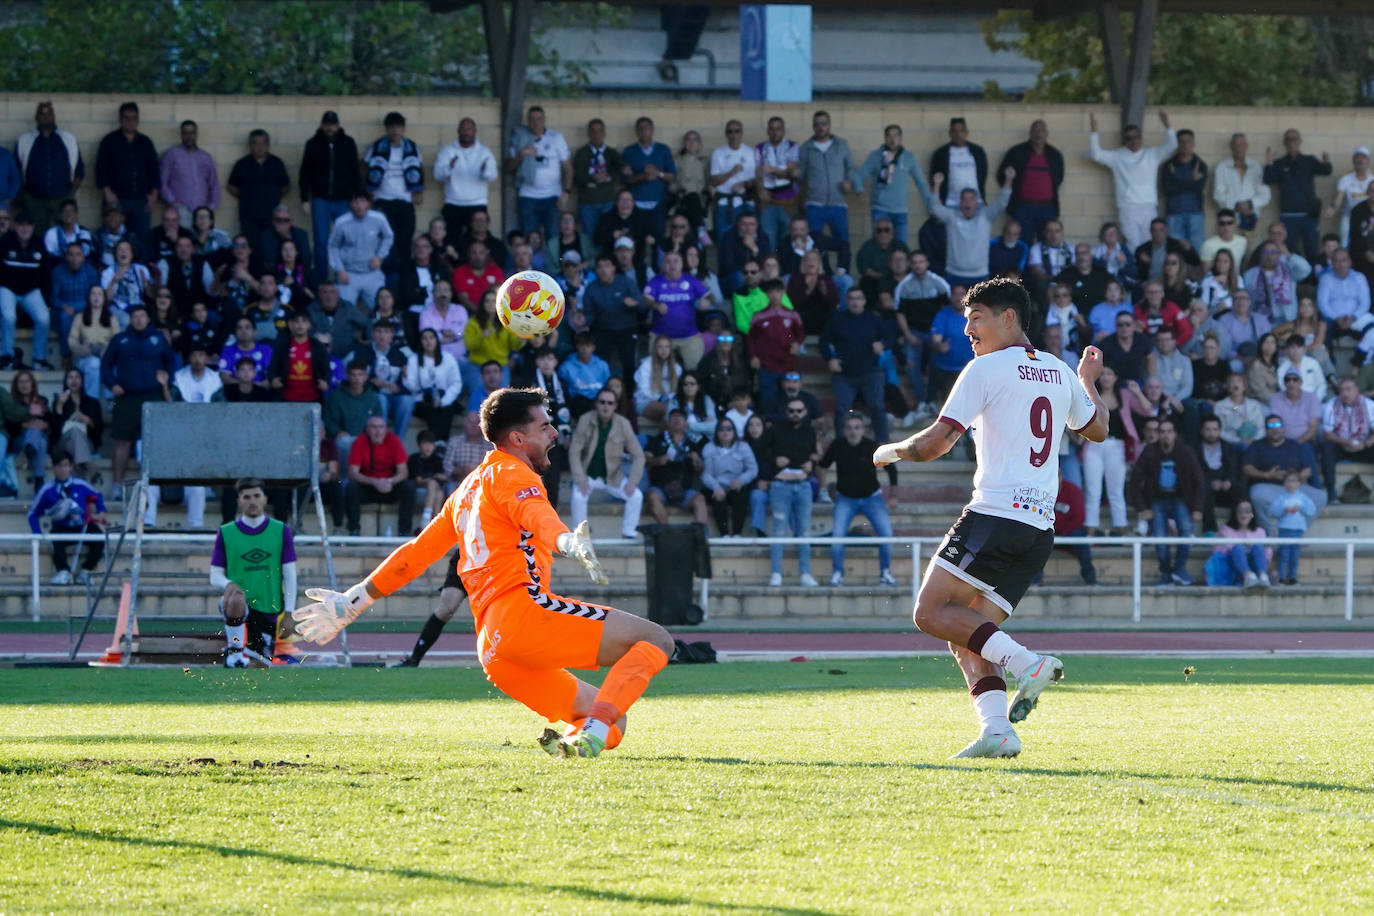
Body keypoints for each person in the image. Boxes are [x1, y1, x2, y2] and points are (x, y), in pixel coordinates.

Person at [294, 387, 672, 758]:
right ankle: (594, 729)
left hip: (493, 648)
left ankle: (578, 741)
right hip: (523, 615)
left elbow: (415, 555)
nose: (554, 433)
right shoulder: (514, 474)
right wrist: (567, 542)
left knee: (613, 719)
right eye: (544, 427)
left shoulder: (467, 490)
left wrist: (353, 601)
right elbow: (536, 516)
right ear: (517, 439)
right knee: (657, 640)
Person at [873, 276, 1108, 758]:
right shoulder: (1059, 370)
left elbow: (935, 444)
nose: (968, 331)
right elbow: (1099, 428)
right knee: (970, 635)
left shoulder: (984, 369)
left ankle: (1027, 664)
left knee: (930, 613)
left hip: (995, 516)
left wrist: (890, 451)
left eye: (976, 318)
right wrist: (1086, 381)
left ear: (1009, 318)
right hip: (1038, 531)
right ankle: (997, 730)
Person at [211, 477, 298, 667]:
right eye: (247, 497)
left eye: (257, 496)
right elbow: (214, 575)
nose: (252, 501)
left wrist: (289, 614)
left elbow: (290, 574)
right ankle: (234, 652)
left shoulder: (281, 530)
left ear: (265, 499)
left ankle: (245, 653)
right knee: (236, 598)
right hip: (238, 605)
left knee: (262, 667)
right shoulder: (226, 532)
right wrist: (229, 584)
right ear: (239, 501)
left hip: (269, 608)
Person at [100, 303, 175, 498]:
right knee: (122, 442)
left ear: (148, 319)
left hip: (153, 396)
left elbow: (171, 362)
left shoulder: (159, 338)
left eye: (142, 316)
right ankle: (117, 485)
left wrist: (167, 381)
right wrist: (112, 385)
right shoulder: (120, 339)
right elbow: (105, 365)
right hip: (126, 397)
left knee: (157, 442)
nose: (139, 320)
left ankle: (159, 485)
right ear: (130, 320)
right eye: (135, 317)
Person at [821, 411, 898, 586]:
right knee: (837, 536)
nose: (853, 431)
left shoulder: (871, 447)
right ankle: (837, 573)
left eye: (857, 427)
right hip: (845, 498)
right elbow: (822, 465)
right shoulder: (837, 446)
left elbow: (891, 469)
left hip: (872, 498)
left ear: (863, 429)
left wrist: (893, 496)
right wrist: (823, 489)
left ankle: (885, 573)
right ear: (844, 430)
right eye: (849, 428)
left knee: (886, 534)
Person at [1128, 417, 1204, 586]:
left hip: (1180, 498)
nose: (1166, 435)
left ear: (1175, 434)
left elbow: (1199, 480)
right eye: (1162, 432)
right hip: (1157, 500)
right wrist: (1142, 508)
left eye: (1169, 432)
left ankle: (1179, 569)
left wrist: (1198, 508)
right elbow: (1134, 481)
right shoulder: (1149, 452)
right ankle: (1166, 574)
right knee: (1160, 539)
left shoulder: (1185, 452)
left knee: (1186, 532)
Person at [1087, 111, 1176, 249]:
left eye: (1136, 137)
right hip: (1127, 207)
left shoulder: (1152, 154)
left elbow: (1172, 146)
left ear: (1141, 137)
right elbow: (1096, 155)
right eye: (1129, 138)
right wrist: (1094, 132)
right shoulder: (1117, 156)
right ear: (1124, 140)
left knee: (1150, 242)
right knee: (1133, 244)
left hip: (1148, 205)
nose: (1133, 140)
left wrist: (1167, 125)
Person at [761, 396, 820, 588]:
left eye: (799, 411)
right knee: (778, 530)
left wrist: (811, 463)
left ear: (805, 412)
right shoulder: (775, 429)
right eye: (792, 411)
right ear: (786, 412)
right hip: (781, 485)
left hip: (803, 484)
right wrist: (774, 461)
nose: (795, 414)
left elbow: (814, 454)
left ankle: (806, 574)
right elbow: (759, 450)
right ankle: (776, 573)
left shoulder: (810, 431)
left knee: (804, 531)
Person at [921, 169, 1013, 287]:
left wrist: (1008, 179)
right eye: (964, 199)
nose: (967, 202)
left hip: (980, 275)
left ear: (977, 202)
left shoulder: (986, 216)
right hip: (954, 274)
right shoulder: (951, 217)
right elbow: (934, 208)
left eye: (971, 199)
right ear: (960, 202)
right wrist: (937, 184)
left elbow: (1002, 203)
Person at [299, 111, 361, 281]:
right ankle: (322, 279)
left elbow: (355, 171)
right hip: (320, 199)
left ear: (338, 125)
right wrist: (305, 198)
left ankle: (344, 277)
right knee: (321, 241)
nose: (330, 128)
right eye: (327, 124)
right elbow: (305, 172)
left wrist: (356, 197)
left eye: (333, 125)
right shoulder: (313, 144)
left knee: (345, 239)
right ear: (322, 125)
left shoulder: (348, 143)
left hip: (344, 200)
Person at [822, 288, 889, 443]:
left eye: (858, 298)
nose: (855, 302)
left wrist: (883, 344)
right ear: (847, 301)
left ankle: (883, 443)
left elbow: (890, 336)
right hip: (843, 374)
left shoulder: (873, 318)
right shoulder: (837, 319)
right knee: (841, 411)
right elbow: (823, 341)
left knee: (877, 407)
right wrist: (829, 359)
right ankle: (840, 445)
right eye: (851, 298)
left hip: (870, 372)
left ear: (864, 301)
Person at [29, 452, 105, 586]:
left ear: (71, 467)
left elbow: (97, 495)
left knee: (99, 537)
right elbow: (32, 513)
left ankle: (86, 571)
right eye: (59, 466)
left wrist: (101, 511)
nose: (63, 470)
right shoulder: (47, 490)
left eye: (66, 466)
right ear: (53, 468)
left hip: (82, 526)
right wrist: (37, 533)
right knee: (55, 539)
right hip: (61, 527)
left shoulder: (80, 484)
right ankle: (63, 572)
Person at [363, 112, 424, 276]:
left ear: (403, 129)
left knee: (404, 243)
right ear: (386, 129)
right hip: (383, 201)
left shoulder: (412, 147)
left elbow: (419, 167)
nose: (395, 131)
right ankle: (385, 280)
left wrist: (419, 190)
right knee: (384, 243)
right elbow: (363, 166)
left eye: (398, 127)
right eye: (391, 127)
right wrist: (367, 191)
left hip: (405, 201)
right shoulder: (376, 147)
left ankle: (403, 280)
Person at [1242, 414, 1326, 533]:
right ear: (1266, 430)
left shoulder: (1295, 445)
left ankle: (1298, 531)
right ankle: (1270, 532)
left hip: (1294, 488)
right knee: (1256, 494)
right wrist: (1266, 475)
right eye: (1270, 426)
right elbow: (1247, 468)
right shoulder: (1257, 445)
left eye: (1278, 425)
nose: (1274, 428)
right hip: (1269, 487)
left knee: (1321, 497)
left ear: (1283, 428)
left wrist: (1292, 478)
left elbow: (1308, 470)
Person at [799, 111, 859, 272]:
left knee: (843, 243)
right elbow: (801, 176)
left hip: (838, 204)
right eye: (817, 124)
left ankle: (842, 275)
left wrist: (850, 182)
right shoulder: (806, 148)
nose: (821, 127)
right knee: (815, 245)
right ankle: (823, 275)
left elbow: (851, 168)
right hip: (815, 204)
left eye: (824, 123)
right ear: (813, 126)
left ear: (829, 125)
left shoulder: (842, 145)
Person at [389, 548, 470, 669]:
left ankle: (496, 660)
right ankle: (414, 659)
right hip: (467, 555)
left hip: (495, 558)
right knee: (446, 609)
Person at [95, 102, 158, 250]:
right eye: (126, 118)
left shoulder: (146, 142)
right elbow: (100, 168)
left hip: (141, 200)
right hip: (117, 199)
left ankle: (139, 264)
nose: (130, 121)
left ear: (138, 120)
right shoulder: (109, 141)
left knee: (140, 240)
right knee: (113, 238)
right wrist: (107, 192)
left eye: (133, 118)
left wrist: (154, 195)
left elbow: (154, 169)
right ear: (120, 119)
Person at [1263, 129, 1333, 262]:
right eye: (1288, 139)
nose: (1292, 142)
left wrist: (1327, 162)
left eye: (1294, 139)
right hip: (1288, 215)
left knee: (1312, 250)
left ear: (1300, 141)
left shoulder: (1309, 160)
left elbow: (1326, 171)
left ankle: (1312, 275)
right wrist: (1269, 164)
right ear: (1284, 142)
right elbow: (1268, 179)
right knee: (1289, 251)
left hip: (1309, 215)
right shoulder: (1279, 163)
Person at [15, 101, 85, 233]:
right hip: (34, 199)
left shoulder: (67, 138)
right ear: (36, 117)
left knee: (64, 232)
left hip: (62, 197)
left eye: (49, 114)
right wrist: (23, 196)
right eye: (42, 114)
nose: (45, 117)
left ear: (54, 116)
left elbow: (79, 169)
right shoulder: (25, 140)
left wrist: (71, 193)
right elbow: (16, 170)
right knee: (37, 234)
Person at [506, 107, 572, 242]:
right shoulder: (520, 137)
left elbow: (568, 168)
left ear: (544, 120)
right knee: (531, 238)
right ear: (528, 121)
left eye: (539, 119)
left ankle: (554, 257)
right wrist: (521, 155)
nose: (536, 122)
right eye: (532, 119)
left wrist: (566, 192)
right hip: (528, 196)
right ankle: (534, 258)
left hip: (553, 195)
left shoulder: (556, 137)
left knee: (554, 237)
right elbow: (508, 168)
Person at [343, 415, 416, 537]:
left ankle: (404, 532)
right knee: (351, 488)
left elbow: (403, 472)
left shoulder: (393, 440)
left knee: (409, 487)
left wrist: (390, 481)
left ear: (385, 429)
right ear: (367, 429)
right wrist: (374, 482)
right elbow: (352, 472)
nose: (378, 431)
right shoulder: (360, 442)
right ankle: (354, 530)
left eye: (381, 427)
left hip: (390, 486)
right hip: (368, 487)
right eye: (374, 427)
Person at [0, 211, 52, 368]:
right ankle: (6, 356)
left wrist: (47, 300)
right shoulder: (5, 241)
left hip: (31, 290)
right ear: (15, 226)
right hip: (7, 288)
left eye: (28, 225)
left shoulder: (39, 243)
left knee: (43, 318)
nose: (24, 229)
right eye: (21, 225)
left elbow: (45, 274)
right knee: (9, 317)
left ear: (33, 227)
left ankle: (39, 358)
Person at [861, 125, 928, 246]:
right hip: (880, 209)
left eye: (896, 136)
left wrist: (932, 203)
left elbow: (921, 182)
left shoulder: (909, 158)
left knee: (901, 247)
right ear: (885, 138)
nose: (892, 139)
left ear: (901, 138)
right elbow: (859, 175)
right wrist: (859, 189)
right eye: (889, 136)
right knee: (879, 246)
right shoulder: (875, 156)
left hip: (900, 211)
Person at [327, 191, 393, 309]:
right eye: (355, 202)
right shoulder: (341, 222)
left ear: (368, 204)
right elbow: (333, 246)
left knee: (381, 307)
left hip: (372, 273)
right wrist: (339, 269)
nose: (359, 206)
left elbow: (389, 237)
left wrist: (380, 256)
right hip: (349, 274)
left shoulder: (379, 219)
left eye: (362, 201)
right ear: (350, 204)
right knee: (345, 310)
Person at [435, 117, 497, 242]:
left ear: (475, 131)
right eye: (463, 129)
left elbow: (493, 176)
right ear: (458, 131)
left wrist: (484, 171)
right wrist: (449, 168)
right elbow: (437, 175)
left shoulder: (484, 152)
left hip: (477, 203)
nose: (466, 132)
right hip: (453, 203)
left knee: (478, 241)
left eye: (469, 129)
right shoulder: (448, 150)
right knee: (451, 240)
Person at [643, 408, 707, 525]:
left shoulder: (692, 444)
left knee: (700, 499)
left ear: (686, 424)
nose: (677, 419)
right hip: (660, 488)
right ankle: (667, 531)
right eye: (673, 417)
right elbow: (645, 460)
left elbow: (700, 471)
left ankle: (699, 533)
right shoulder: (656, 440)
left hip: (684, 490)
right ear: (667, 422)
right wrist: (657, 461)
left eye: (680, 417)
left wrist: (696, 460)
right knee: (652, 496)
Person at [226, 129, 289, 239]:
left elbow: (286, 186)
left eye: (263, 143)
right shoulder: (242, 164)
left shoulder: (277, 163)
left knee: (271, 246)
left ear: (268, 145)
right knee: (251, 246)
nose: (259, 147)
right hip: (248, 215)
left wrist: (273, 196)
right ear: (250, 145)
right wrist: (246, 195)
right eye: (255, 143)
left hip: (272, 216)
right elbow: (231, 186)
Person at [1319, 378, 1374, 502]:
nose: (1345, 393)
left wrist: (1365, 444)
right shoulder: (1331, 405)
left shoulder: (1369, 405)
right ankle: (1331, 491)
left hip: (1364, 446)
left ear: (1356, 390)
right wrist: (1347, 442)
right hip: (1341, 446)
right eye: (1342, 390)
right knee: (1327, 446)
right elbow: (1327, 434)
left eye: (1349, 389)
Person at [700, 416, 756, 537]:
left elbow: (753, 469)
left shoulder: (743, 446)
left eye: (729, 429)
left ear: (734, 431)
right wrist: (715, 487)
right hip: (717, 486)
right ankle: (724, 534)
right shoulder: (709, 447)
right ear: (716, 432)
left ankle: (737, 534)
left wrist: (741, 480)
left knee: (742, 495)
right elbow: (706, 474)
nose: (725, 432)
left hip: (737, 485)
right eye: (721, 429)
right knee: (717, 498)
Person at [405, 328, 464, 442]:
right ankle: (434, 444)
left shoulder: (448, 358)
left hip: (444, 398)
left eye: (431, 338)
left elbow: (456, 383)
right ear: (420, 341)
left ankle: (442, 443)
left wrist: (444, 401)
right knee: (432, 411)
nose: (428, 341)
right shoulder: (414, 360)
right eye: (425, 338)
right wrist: (406, 378)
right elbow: (412, 386)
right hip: (422, 400)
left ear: (437, 340)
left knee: (446, 410)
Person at [159, 120, 219, 229]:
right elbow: (161, 181)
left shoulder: (206, 157)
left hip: (201, 211)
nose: (189, 136)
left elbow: (214, 184)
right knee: (183, 239)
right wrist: (172, 202)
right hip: (180, 210)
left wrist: (211, 207)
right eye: (186, 133)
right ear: (181, 134)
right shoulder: (171, 155)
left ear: (196, 134)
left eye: (192, 133)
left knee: (201, 239)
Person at [569, 118, 623, 238]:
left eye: (599, 131)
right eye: (593, 131)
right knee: (589, 237)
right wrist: (592, 178)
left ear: (604, 133)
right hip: (588, 202)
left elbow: (622, 169)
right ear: (588, 134)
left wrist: (610, 175)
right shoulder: (582, 153)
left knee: (608, 235)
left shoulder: (611, 153)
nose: (596, 134)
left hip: (607, 200)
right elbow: (576, 178)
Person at [1159, 129, 1208, 252]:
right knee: (1175, 252)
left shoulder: (1200, 165)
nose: (1185, 145)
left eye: (1188, 141)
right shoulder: (1168, 165)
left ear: (1193, 144)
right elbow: (1167, 190)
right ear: (1177, 144)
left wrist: (1175, 179)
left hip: (1195, 214)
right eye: (1182, 142)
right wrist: (1191, 180)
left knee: (1196, 251)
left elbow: (1198, 188)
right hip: (1174, 214)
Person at [268, 310, 331, 403]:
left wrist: (326, 382)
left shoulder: (318, 346)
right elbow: (272, 368)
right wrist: (272, 379)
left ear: (309, 325)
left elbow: (326, 369)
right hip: (287, 399)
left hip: (313, 399)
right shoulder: (282, 346)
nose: (300, 324)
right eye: (296, 321)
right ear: (291, 325)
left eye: (304, 321)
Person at [1212, 133, 1269, 233]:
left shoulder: (1256, 167)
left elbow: (1265, 194)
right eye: (1236, 144)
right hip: (1229, 219)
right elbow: (1218, 195)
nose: (1239, 148)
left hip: (1252, 217)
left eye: (1242, 144)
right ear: (1231, 147)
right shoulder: (1222, 167)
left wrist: (1250, 204)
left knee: (1252, 243)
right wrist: (1236, 205)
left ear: (1246, 146)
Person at [1212, 500, 1269, 588]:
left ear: (1252, 514)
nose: (1244, 515)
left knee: (1258, 546)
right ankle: (1248, 576)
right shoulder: (1225, 529)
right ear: (1235, 514)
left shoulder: (1260, 531)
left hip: (1255, 567)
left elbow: (1267, 552)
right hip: (1234, 569)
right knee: (1238, 548)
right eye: (1240, 511)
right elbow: (1217, 551)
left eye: (1247, 511)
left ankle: (1263, 576)